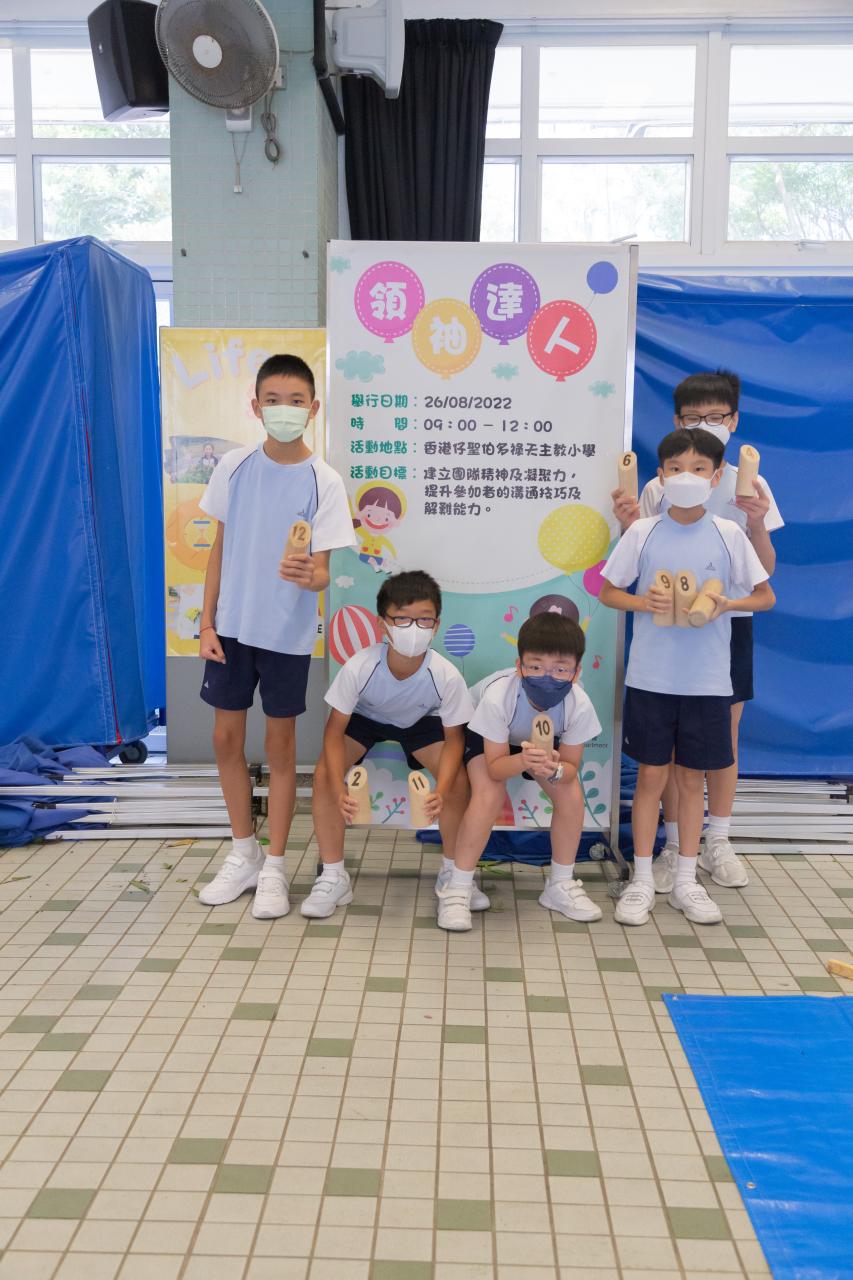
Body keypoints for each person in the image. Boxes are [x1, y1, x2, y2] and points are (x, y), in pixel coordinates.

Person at [197, 354, 356, 920]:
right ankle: (242, 853)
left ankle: (275, 867)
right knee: (225, 739)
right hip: (231, 629)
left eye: (295, 401)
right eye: (273, 400)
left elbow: (324, 571)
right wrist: (207, 622)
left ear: (313, 409)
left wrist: (309, 574)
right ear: (256, 406)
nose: (283, 410)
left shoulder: (324, 480)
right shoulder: (234, 466)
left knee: (281, 748)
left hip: (286, 636)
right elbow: (219, 548)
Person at [611, 370, 783, 891]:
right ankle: (670, 845)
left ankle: (718, 841)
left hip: (726, 627)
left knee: (721, 736)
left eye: (715, 416)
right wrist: (627, 523)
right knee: (665, 749)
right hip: (664, 631)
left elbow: (766, 572)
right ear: (676, 421)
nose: (705, 424)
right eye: (693, 417)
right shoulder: (655, 488)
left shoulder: (750, 486)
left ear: (734, 420)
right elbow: (635, 558)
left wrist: (756, 522)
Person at [307, 570, 474, 918]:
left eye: (424, 619)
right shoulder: (360, 666)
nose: (414, 628)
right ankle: (333, 876)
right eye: (402, 619)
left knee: (458, 779)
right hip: (365, 720)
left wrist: (441, 790)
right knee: (323, 773)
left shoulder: (446, 675)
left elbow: (455, 740)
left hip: (420, 723)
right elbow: (334, 733)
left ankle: (454, 874)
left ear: (436, 625)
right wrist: (337, 787)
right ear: (383, 624)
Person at [437, 612, 603, 933]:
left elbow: (570, 768)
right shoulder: (498, 696)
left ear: (576, 672)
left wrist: (554, 769)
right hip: (486, 735)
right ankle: (457, 888)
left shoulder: (578, 704)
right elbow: (496, 767)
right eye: (536, 667)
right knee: (489, 793)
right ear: (519, 666)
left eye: (560, 669)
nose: (547, 677)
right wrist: (526, 761)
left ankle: (560, 885)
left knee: (570, 795)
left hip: (535, 742)